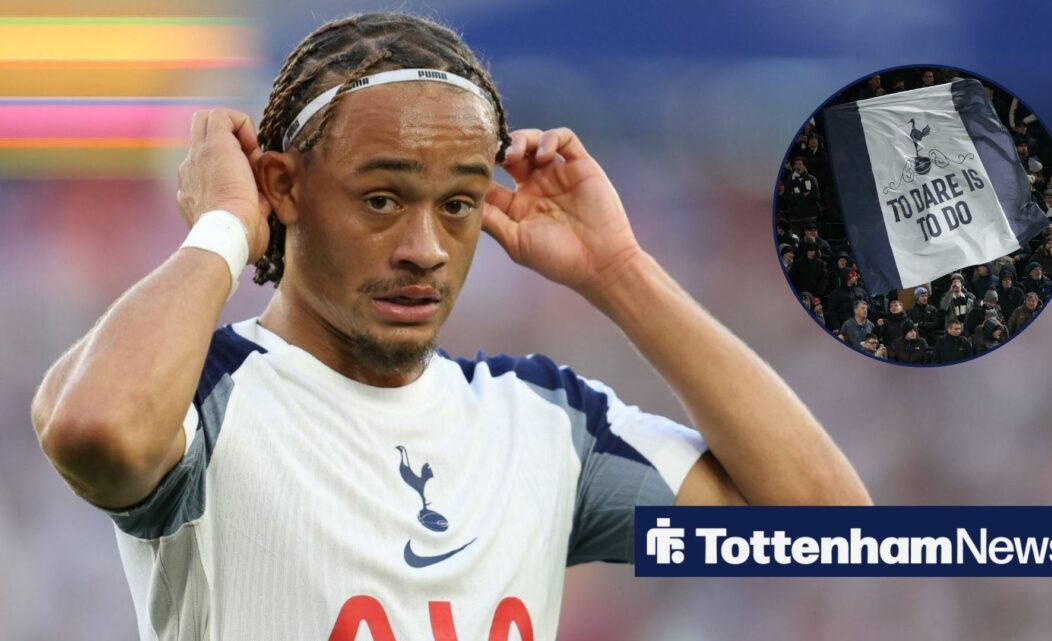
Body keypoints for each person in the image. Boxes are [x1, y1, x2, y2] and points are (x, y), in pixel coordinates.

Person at [29, 13, 869, 639]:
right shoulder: (210, 393)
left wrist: (620, 272)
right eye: (381, 199)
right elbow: (95, 428)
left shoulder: (545, 423)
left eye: (459, 204)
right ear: (282, 188)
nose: (425, 248)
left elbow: (832, 535)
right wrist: (222, 228)